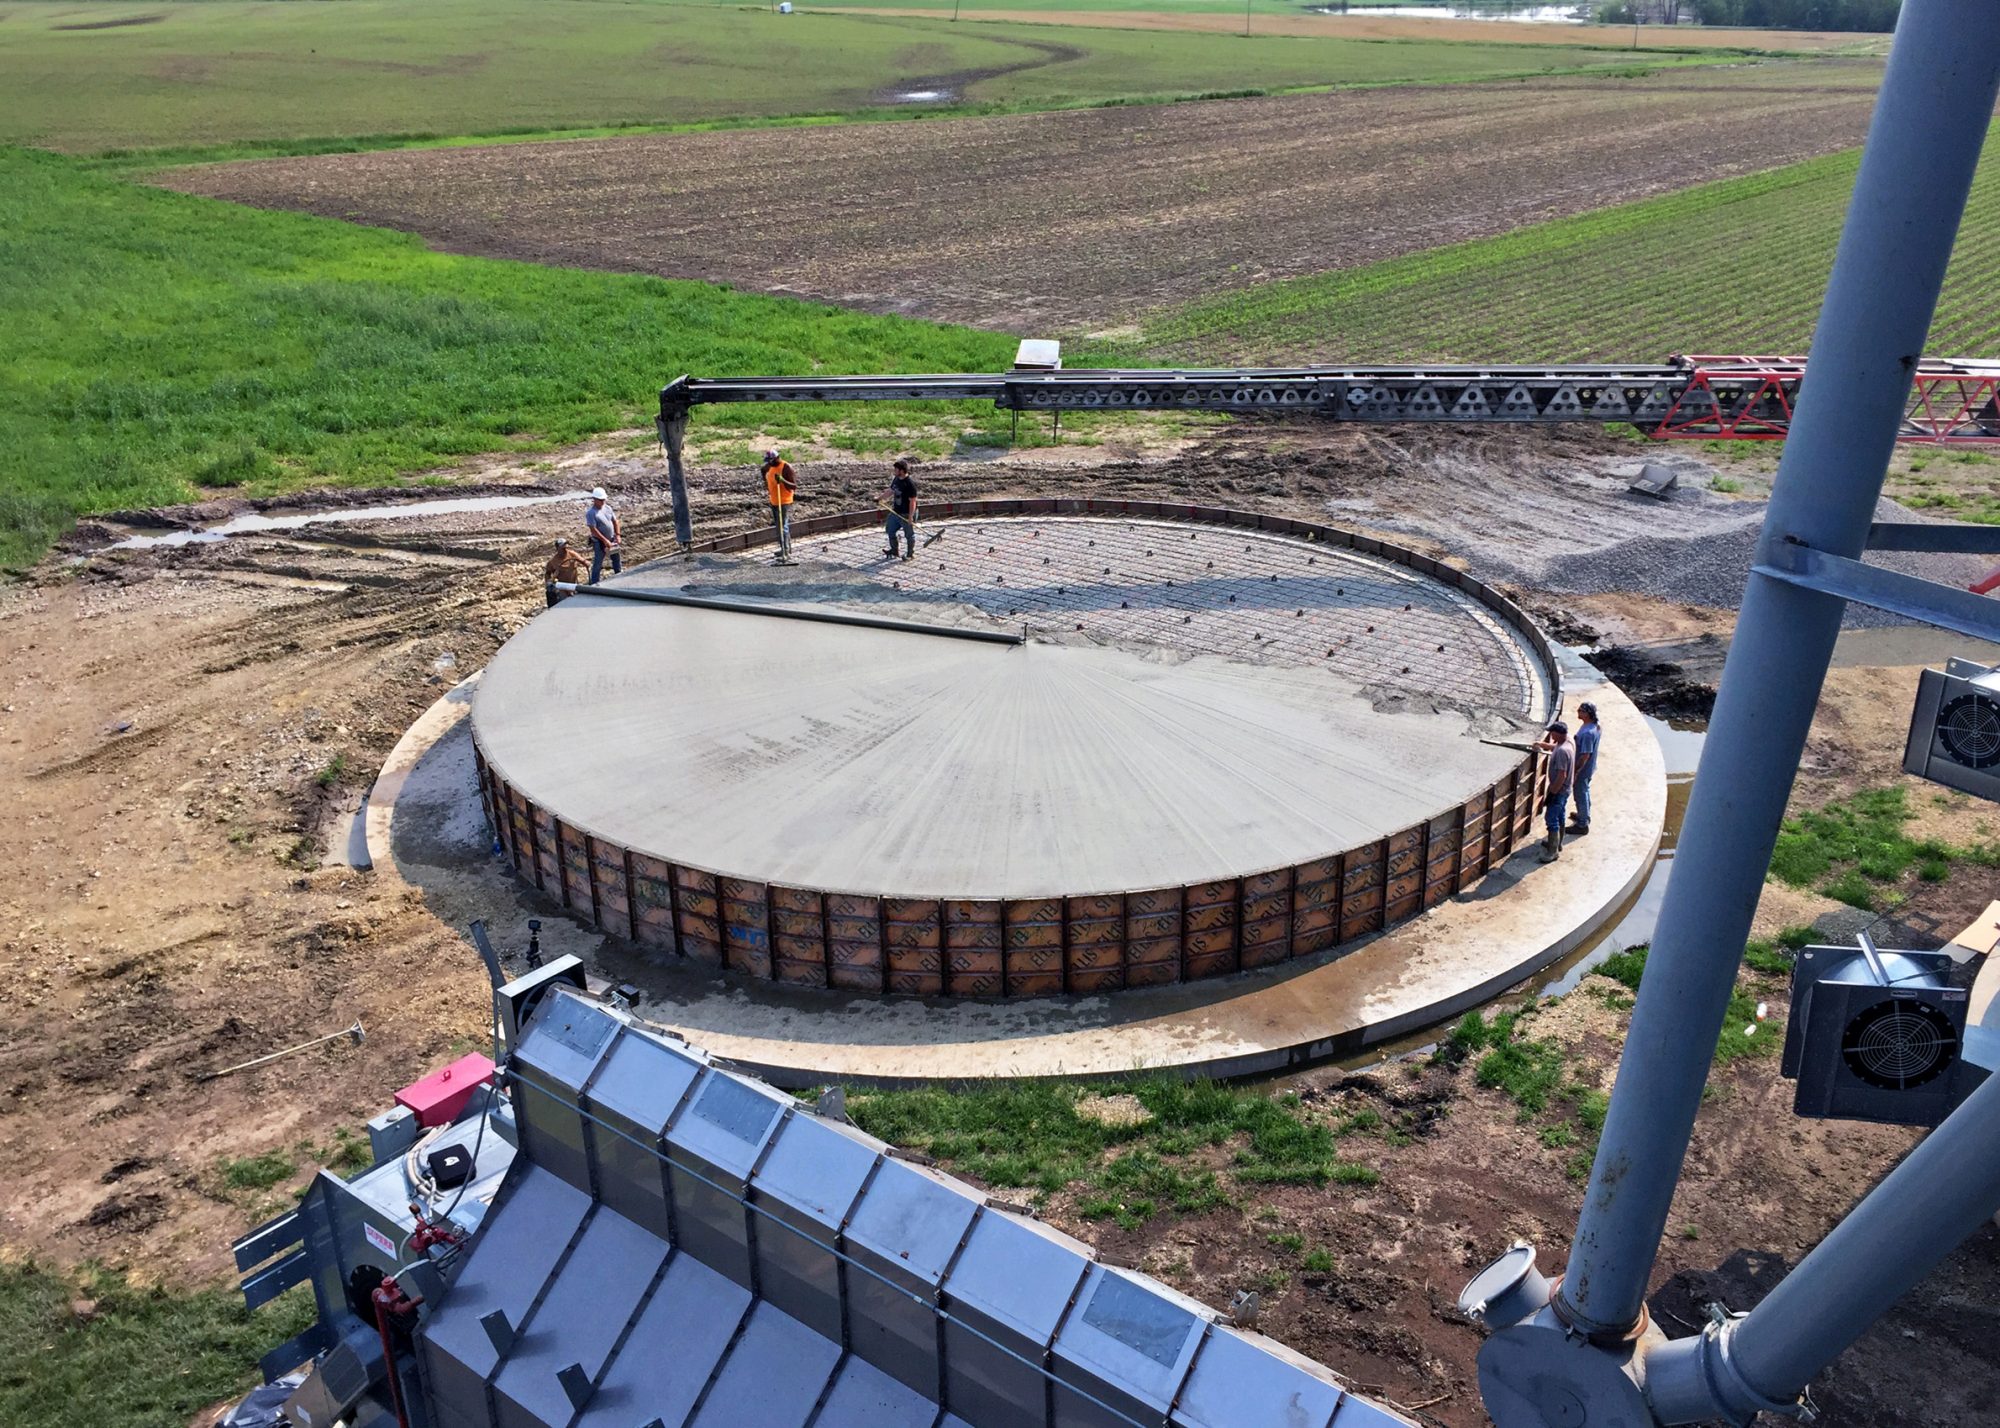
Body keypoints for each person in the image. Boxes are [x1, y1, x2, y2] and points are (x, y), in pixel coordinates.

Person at [1536, 720, 1574, 863]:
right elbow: (1555, 747)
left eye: (1552, 733)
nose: (1551, 735)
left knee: (1551, 819)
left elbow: (1561, 775)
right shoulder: (1568, 741)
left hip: (1559, 790)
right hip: (1566, 789)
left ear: (1558, 733)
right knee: (1560, 815)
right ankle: (1558, 844)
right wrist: (1543, 745)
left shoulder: (1563, 752)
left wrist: (1552, 792)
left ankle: (1552, 852)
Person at [1569, 701, 1601, 838]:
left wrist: (1576, 771)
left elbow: (1585, 755)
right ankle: (1584, 816)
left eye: (1581, 710)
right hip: (1589, 768)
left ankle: (1582, 825)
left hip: (1583, 770)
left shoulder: (1588, 733)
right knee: (1585, 791)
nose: (1578, 711)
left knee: (1580, 794)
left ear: (1588, 714)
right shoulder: (1594, 726)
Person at [761, 450, 797, 564]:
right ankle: (784, 548)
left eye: (770, 461)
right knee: (779, 527)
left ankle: (786, 552)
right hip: (774, 500)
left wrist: (782, 480)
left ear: (777, 458)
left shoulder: (786, 467)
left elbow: (794, 486)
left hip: (784, 501)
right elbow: (763, 470)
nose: (769, 463)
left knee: (783, 527)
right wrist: (766, 482)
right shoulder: (770, 466)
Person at [883, 458, 919, 560]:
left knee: (909, 535)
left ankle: (910, 554)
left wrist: (911, 517)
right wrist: (879, 498)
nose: (894, 471)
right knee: (890, 530)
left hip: (906, 513)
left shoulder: (909, 484)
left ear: (902, 471)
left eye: (896, 470)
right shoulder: (896, 479)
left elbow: (913, 501)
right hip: (896, 512)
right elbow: (891, 491)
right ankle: (894, 551)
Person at [584, 487, 621, 584]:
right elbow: (593, 530)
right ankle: (594, 582)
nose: (603, 502)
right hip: (599, 542)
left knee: (616, 559)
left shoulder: (608, 508)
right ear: (594, 499)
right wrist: (605, 541)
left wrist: (617, 535)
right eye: (600, 500)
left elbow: (615, 521)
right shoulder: (591, 513)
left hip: (612, 539)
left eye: (603, 499)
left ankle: (619, 577)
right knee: (598, 563)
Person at [543, 538, 586, 607]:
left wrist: (585, 562)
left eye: (566, 547)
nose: (565, 549)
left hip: (574, 585)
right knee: (564, 605)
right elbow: (547, 573)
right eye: (563, 548)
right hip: (563, 588)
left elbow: (582, 560)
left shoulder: (572, 554)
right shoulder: (553, 562)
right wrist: (549, 582)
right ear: (557, 548)